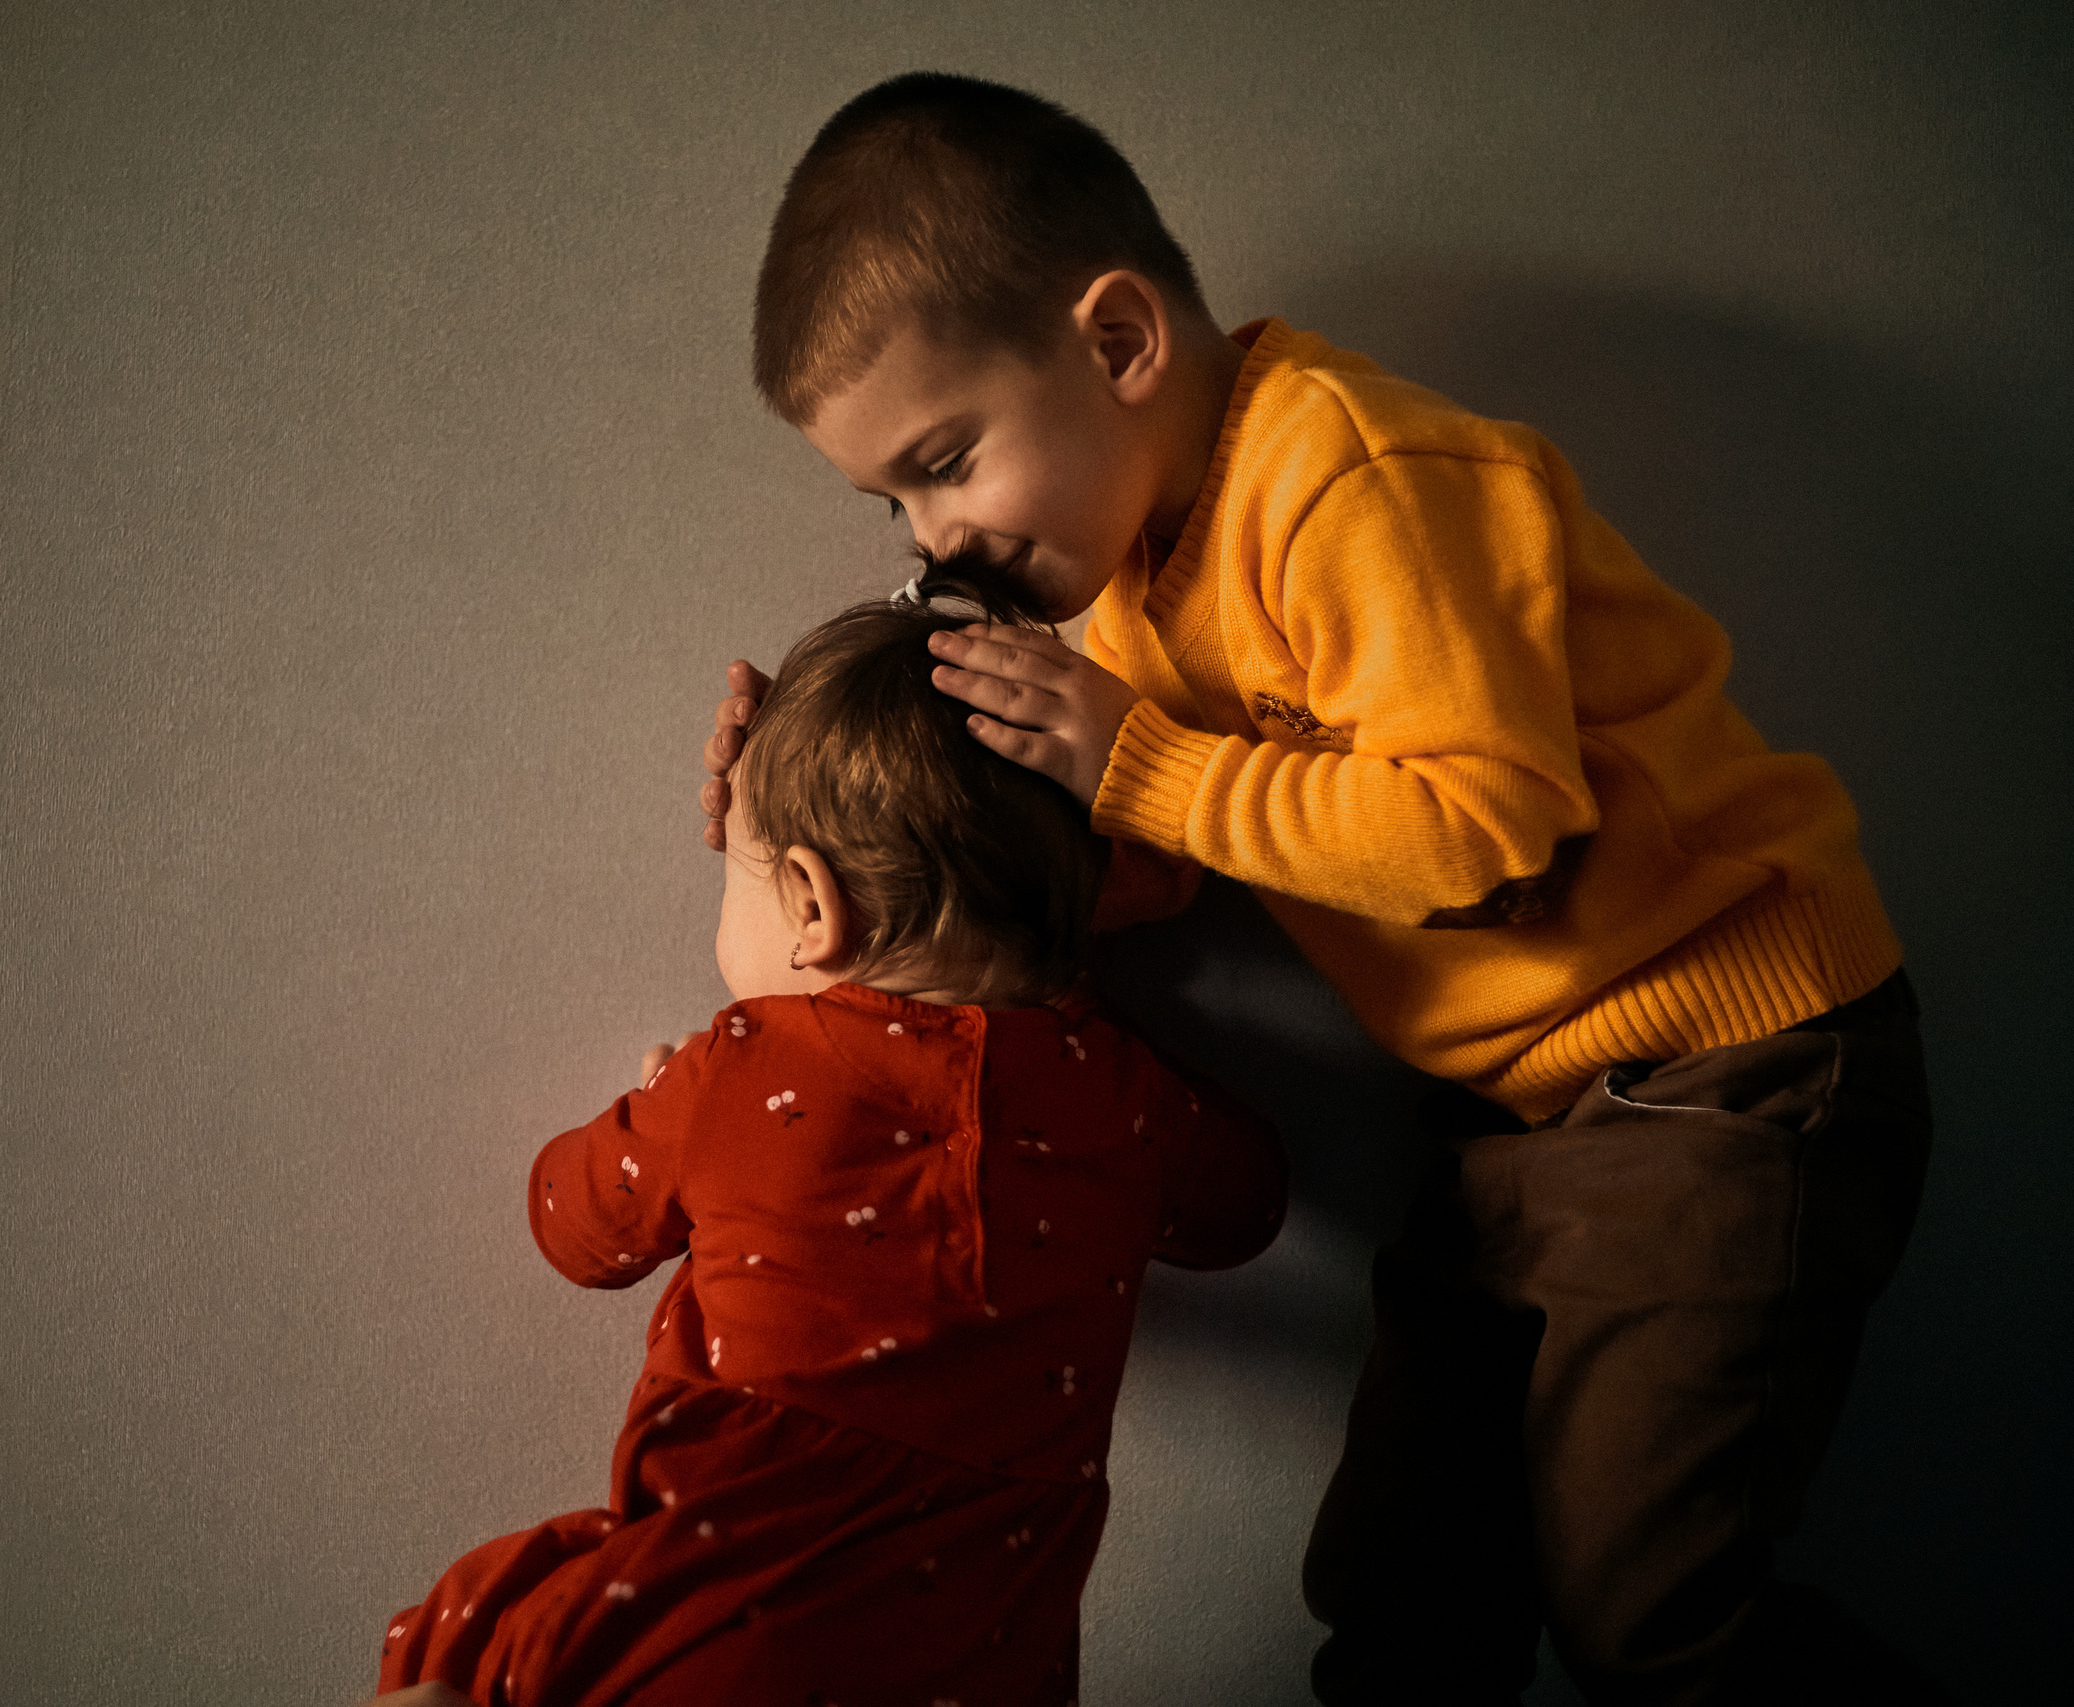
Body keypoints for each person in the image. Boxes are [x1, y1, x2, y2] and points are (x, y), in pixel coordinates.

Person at [701, 73, 1940, 1706]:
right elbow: (1191, 859)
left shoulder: (1350, 476)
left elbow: (1487, 831)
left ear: (1122, 342)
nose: (934, 538)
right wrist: (809, 832)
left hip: (1725, 1063)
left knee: (1653, 1604)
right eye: (894, 503)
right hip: (1525, 1121)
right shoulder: (1141, 603)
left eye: (945, 461)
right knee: (1406, 1589)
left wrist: (1135, 763)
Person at [378, 582, 1288, 1705]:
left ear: (810, 906)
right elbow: (1248, 1206)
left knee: (470, 1636)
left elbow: (571, 1224)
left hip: (716, 1632)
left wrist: (658, 1105)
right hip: (983, 1658)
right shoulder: (1125, 1093)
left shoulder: (743, 1067)